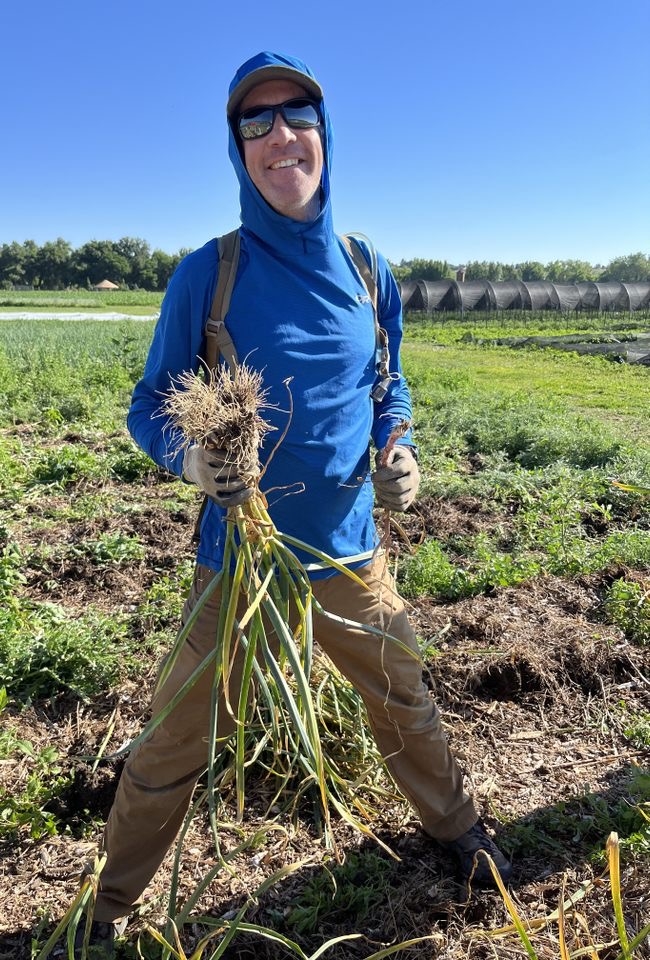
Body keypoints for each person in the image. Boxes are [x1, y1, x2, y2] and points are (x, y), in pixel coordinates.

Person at [71, 50, 511, 957]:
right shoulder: (212, 272)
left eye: (295, 113)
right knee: (172, 744)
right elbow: (151, 400)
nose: (279, 135)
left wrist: (400, 446)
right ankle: (111, 909)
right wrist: (189, 458)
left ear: (324, 132)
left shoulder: (365, 268)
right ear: (237, 151)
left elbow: (390, 382)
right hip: (240, 564)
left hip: (350, 553)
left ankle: (459, 830)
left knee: (406, 705)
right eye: (255, 122)